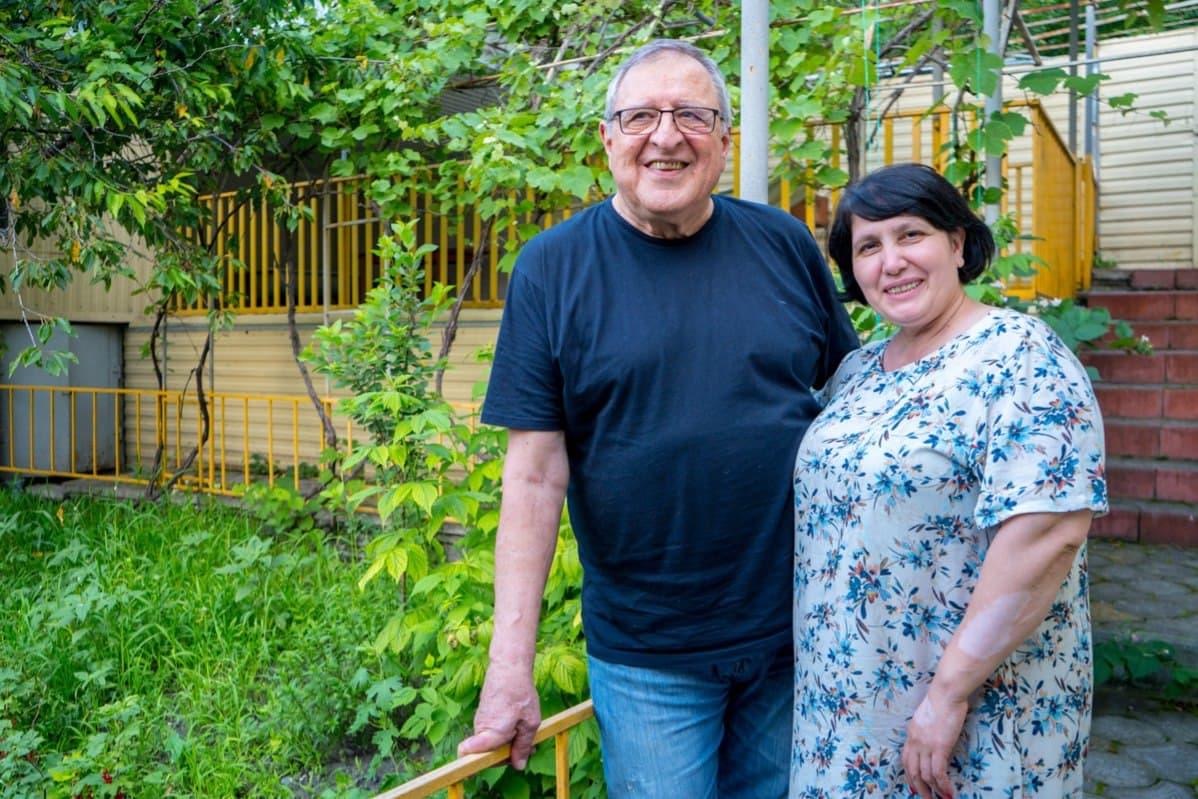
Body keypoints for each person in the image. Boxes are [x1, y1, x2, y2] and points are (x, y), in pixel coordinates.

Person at [457, 39, 859, 798]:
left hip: (796, 636)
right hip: (648, 657)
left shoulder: (782, 243)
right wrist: (509, 668)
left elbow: (855, 403)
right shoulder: (551, 267)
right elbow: (534, 477)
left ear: (725, 141)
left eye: (692, 116)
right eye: (641, 116)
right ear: (608, 139)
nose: (666, 136)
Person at [790, 162, 1107, 799]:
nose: (892, 262)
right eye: (868, 247)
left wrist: (948, 695)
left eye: (911, 235)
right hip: (844, 711)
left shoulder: (1020, 353)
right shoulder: (857, 372)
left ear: (957, 244)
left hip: (969, 710)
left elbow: (1048, 533)